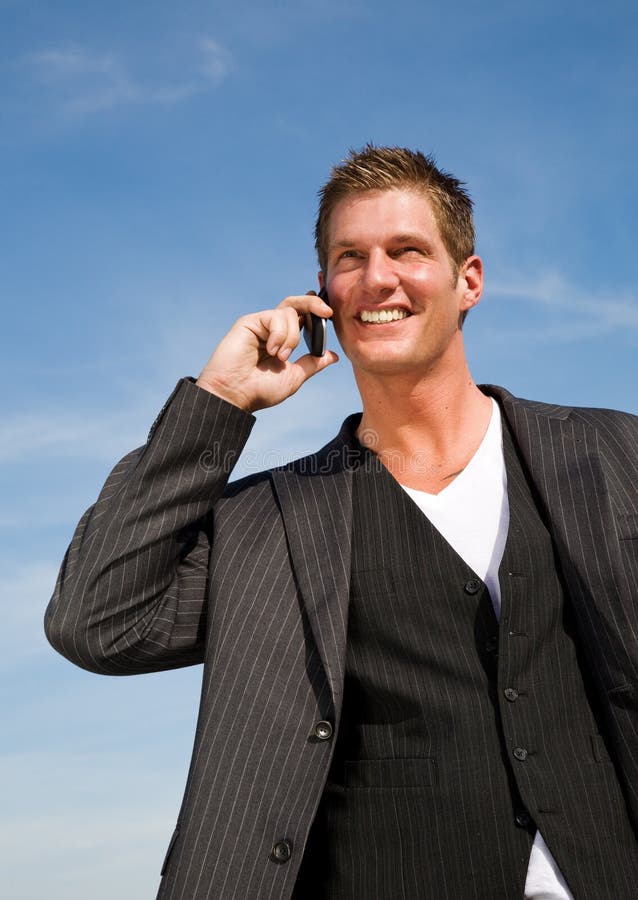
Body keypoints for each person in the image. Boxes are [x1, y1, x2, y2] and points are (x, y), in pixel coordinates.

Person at [45, 145, 638, 900]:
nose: (378, 278)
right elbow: (98, 622)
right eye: (349, 257)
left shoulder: (614, 455)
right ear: (323, 291)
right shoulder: (269, 523)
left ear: (469, 281)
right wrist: (218, 402)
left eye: (408, 251)